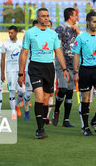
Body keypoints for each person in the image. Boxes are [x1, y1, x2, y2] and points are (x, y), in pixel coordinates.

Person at [18, 8, 69, 139]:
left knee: (46, 99)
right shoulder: (30, 33)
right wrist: (20, 73)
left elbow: (58, 52)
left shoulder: (53, 34)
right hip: (35, 66)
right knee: (39, 96)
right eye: (43, 16)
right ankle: (39, 129)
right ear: (38, 18)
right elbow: (23, 53)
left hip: (49, 68)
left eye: (47, 16)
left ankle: (42, 122)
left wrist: (64, 69)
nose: (46, 18)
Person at [72, 11, 96, 136]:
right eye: (94, 22)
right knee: (85, 100)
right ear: (88, 22)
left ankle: (94, 120)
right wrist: (76, 72)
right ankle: (85, 127)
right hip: (85, 70)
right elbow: (76, 55)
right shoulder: (81, 37)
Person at [53, 8, 79, 128]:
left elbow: (82, 44)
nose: (77, 18)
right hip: (62, 65)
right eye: (75, 16)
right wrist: (62, 65)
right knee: (62, 89)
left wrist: (78, 32)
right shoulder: (60, 28)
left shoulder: (75, 30)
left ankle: (66, 120)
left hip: (72, 64)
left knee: (69, 93)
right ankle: (56, 111)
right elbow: (57, 47)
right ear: (70, 16)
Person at [1, 26, 25, 119]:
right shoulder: (5, 44)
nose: (10, 34)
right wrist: (2, 73)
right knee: (11, 91)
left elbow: (24, 56)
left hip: (19, 71)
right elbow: (2, 59)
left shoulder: (21, 43)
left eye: (12, 33)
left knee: (22, 91)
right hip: (10, 71)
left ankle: (17, 104)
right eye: (9, 33)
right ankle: (13, 112)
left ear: (16, 33)